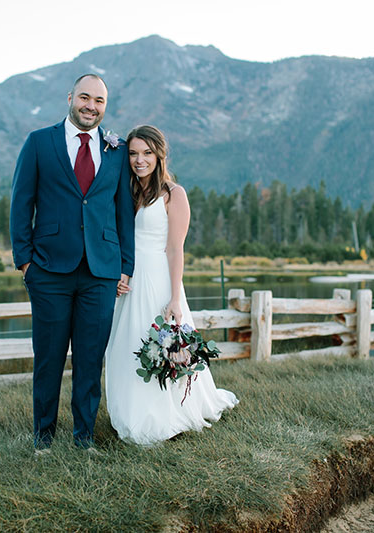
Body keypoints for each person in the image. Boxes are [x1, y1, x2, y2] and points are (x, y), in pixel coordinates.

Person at [10, 74, 135, 454]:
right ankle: (43, 439)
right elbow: (20, 204)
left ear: (104, 106)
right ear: (70, 98)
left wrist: (125, 265)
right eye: (85, 97)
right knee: (48, 358)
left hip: (101, 272)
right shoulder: (39, 142)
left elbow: (122, 212)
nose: (91, 106)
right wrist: (25, 262)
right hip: (48, 270)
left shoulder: (117, 150)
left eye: (99, 100)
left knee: (89, 359)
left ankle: (84, 438)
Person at [104, 125, 237, 446]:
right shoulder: (126, 190)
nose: (139, 160)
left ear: (159, 154)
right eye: (134, 153)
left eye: (147, 153)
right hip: (129, 281)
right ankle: (130, 411)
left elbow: (175, 248)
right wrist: (119, 271)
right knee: (125, 346)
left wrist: (175, 298)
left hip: (160, 279)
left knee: (163, 344)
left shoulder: (173, 194)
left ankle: (167, 411)